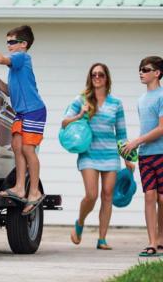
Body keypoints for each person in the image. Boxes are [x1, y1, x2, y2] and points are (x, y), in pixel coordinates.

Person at [62, 63, 134, 250]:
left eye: (101, 74)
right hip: (89, 153)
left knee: (108, 195)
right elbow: (64, 123)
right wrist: (80, 114)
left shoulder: (116, 104)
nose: (97, 77)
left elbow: (121, 134)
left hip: (110, 154)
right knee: (91, 195)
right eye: (94, 74)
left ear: (106, 78)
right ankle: (80, 222)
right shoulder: (82, 99)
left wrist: (127, 158)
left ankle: (102, 239)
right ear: (90, 77)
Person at [0, 25, 46, 216]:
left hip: (34, 111)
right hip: (22, 112)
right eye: (7, 42)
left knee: (27, 149)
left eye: (12, 42)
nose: (8, 45)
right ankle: (19, 187)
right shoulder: (16, 64)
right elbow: (10, 91)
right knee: (16, 146)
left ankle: (34, 191)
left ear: (23, 44)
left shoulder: (21, 57)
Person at [122, 56, 163, 257]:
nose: (141, 72)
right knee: (149, 196)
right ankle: (152, 242)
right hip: (146, 156)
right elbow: (146, 127)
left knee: (162, 199)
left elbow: (161, 129)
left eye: (146, 69)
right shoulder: (141, 100)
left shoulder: (162, 96)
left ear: (157, 73)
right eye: (140, 69)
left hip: (161, 154)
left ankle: (161, 239)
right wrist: (133, 147)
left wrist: (137, 141)